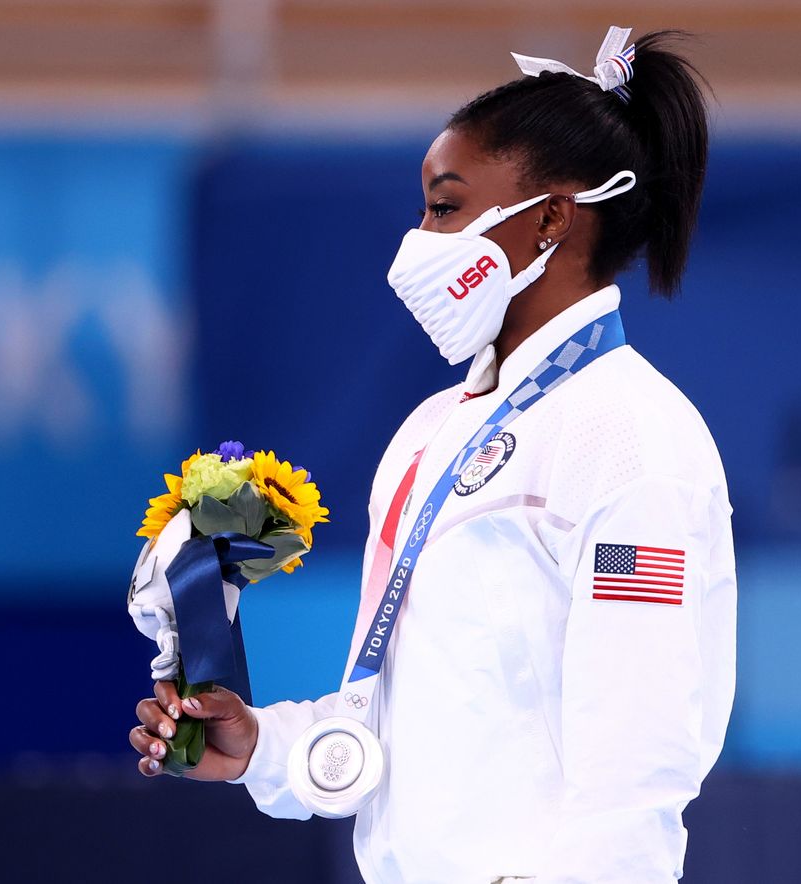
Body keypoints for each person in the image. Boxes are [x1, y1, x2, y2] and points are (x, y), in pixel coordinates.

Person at [129, 27, 736, 884]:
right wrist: (261, 747)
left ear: (552, 218)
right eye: (423, 208)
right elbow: (391, 718)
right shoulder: (430, 432)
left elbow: (637, 768)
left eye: (444, 208)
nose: (420, 240)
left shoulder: (630, 435)